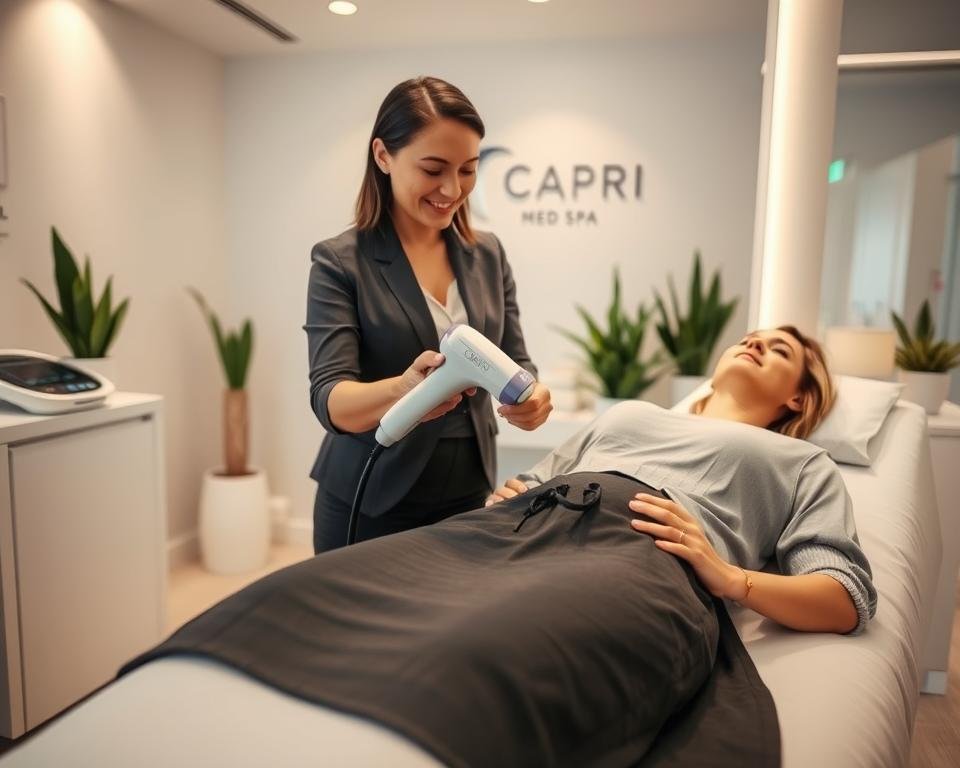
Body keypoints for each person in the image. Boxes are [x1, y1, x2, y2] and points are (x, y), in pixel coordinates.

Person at [487, 325, 877, 634]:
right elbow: (533, 480)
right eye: (749, 339)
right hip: (518, 533)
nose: (755, 343)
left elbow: (845, 598)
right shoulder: (630, 413)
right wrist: (507, 497)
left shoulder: (801, 462)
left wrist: (733, 579)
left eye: (780, 350)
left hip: (634, 556)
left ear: (798, 398)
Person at [305, 76, 552, 554]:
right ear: (383, 156)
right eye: (434, 168)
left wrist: (534, 396)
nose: (453, 188)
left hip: (467, 492)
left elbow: (517, 359)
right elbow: (330, 399)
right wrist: (404, 390)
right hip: (370, 496)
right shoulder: (340, 262)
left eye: (468, 170)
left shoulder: (488, 255)